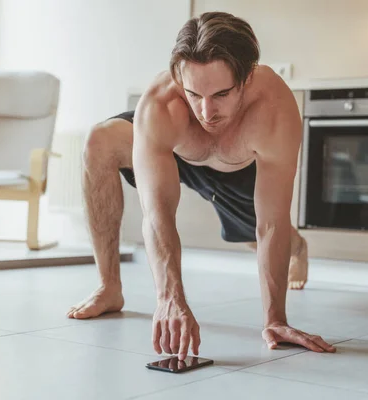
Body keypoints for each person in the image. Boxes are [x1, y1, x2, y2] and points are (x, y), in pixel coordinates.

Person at [67, 11, 336, 360]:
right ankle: (109, 287)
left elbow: (270, 223)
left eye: (221, 94)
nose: (206, 112)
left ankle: (299, 247)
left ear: (247, 76)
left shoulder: (274, 109)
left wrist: (275, 319)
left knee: (258, 235)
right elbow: (157, 214)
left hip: (239, 167)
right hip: (179, 149)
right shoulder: (161, 103)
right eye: (194, 93)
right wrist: (169, 298)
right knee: (99, 141)